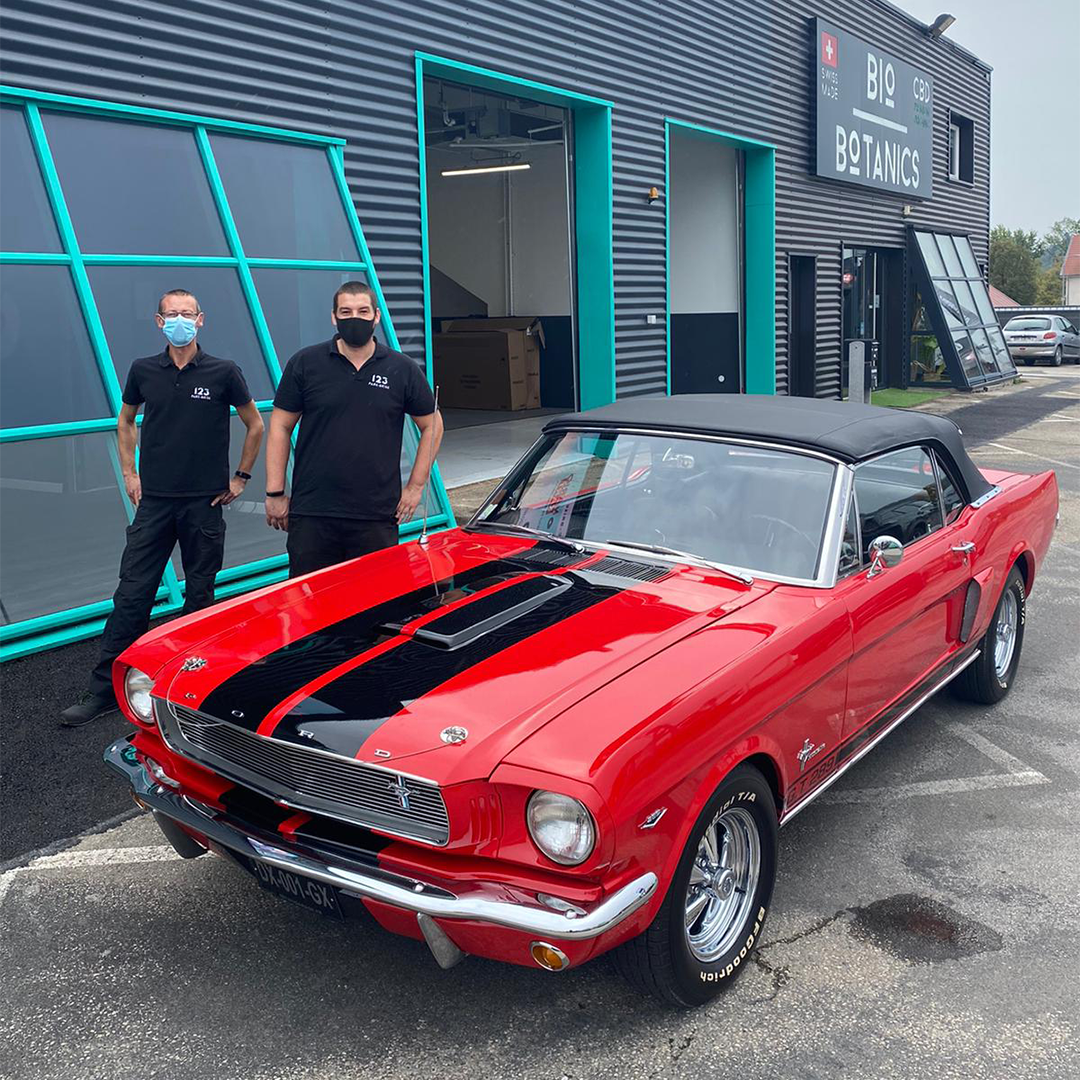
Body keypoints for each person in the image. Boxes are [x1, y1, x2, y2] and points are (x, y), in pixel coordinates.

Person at [61, 289, 264, 726]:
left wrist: (240, 478)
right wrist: (130, 475)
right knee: (132, 596)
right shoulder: (143, 370)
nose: (179, 321)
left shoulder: (224, 372)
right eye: (171, 314)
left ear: (200, 319)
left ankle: (190, 691)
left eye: (186, 314)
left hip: (204, 504)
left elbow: (255, 424)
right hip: (154, 503)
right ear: (158, 322)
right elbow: (126, 420)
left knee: (199, 599)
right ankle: (103, 691)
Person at [264, 280, 443, 577]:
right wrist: (275, 492)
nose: (354, 318)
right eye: (345, 312)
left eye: (362, 311)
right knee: (309, 604)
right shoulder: (306, 364)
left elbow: (433, 425)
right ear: (334, 317)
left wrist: (415, 487)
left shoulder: (401, 369)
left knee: (373, 603)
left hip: (376, 514)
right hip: (313, 511)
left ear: (376, 316)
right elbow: (280, 426)